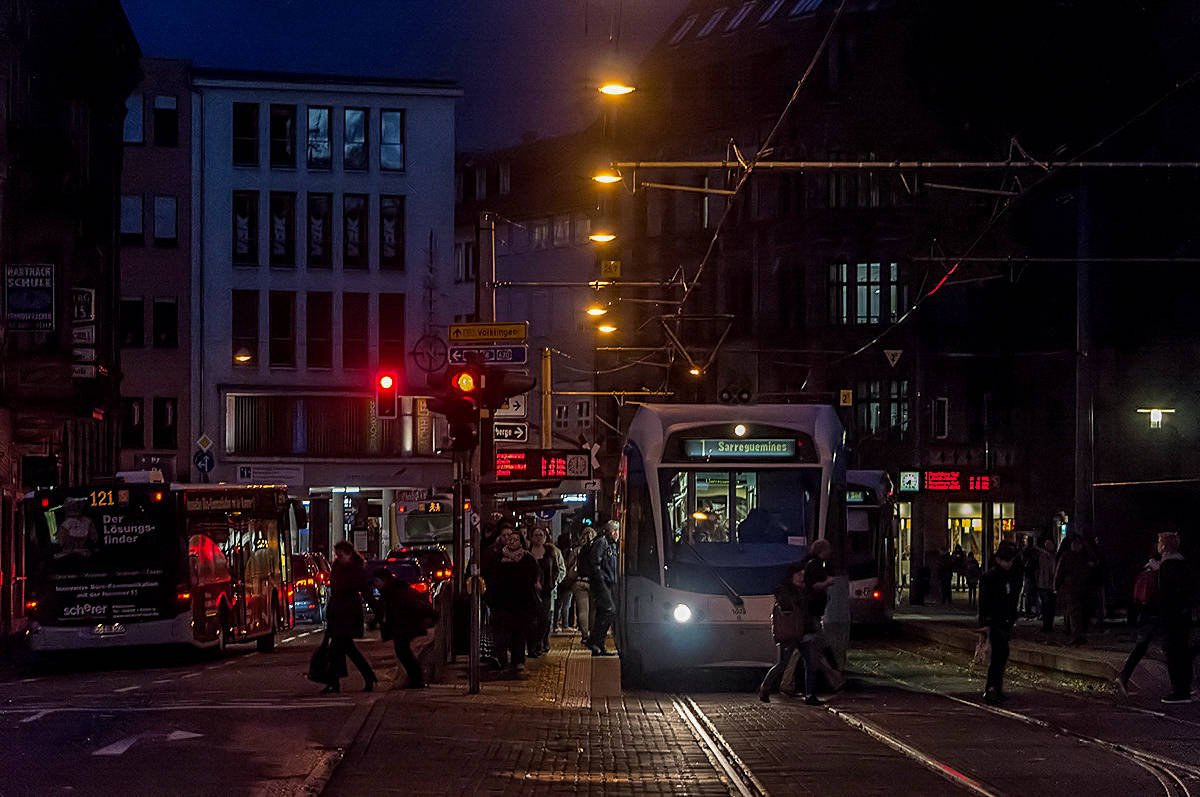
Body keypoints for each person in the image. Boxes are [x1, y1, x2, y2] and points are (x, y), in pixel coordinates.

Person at [1118, 533, 1195, 704]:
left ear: (1165, 546)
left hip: (1168, 615)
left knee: (1173, 650)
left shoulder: (1166, 566)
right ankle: (1184, 687)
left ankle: (1179, 690)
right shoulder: (1181, 563)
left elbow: (1166, 593)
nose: (1158, 544)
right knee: (1180, 649)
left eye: (1160, 542)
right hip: (1179, 615)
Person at [321, 541, 379, 694]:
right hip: (338, 614)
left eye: (340, 555)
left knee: (338, 650)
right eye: (337, 555)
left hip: (348, 615)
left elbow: (365, 592)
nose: (338, 558)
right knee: (344, 650)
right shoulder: (338, 567)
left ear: (348, 553)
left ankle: (337, 683)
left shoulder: (354, 569)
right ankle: (364, 678)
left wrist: (377, 612)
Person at [482, 526, 541, 676]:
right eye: (510, 540)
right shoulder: (499, 558)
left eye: (516, 540)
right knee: (502, 632)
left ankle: (518, 661)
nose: (513, 542)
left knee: (519, 633)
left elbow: (534, 576)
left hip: (522, 602)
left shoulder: (527, 558)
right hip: (503, 602)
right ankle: (501, 659)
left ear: (521, 542)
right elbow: (493, 578)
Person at [758, 562, 820, 705]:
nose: (801, 577)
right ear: (792, 576)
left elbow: (810, 608)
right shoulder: (786, 590)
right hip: (790, 632)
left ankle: (810, 695)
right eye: (799, 575)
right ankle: (765, 688)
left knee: (810, 664)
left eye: (803, 575)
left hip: (805, 631)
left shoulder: (805, 589)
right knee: (782, 664)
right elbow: (787, 606)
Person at [378, 567, 437, 688]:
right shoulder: (392, 590)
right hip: (404, 625)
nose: (376, 585)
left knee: (403, 652)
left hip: (406, 625)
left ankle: (417, 679)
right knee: (403, 651)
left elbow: (414, 605)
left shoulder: (395, 591)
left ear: (383, 580)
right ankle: (416, 678)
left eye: (377, 581)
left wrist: (431, 614)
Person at [979, 541, 1019, 705]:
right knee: (998, 655)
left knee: (1001, 656)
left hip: (1004, 620)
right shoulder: (990, 577)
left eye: (1010, 561)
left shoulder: (1008, 576)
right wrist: (985, 622)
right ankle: (991, 688)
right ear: (999, 560)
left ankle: (995, 688)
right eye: (1006, 560)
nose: (1009, 564)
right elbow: (984, 602)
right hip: (995, 621)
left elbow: (1011, 599)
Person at [527, 526, 564, 656]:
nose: (538, 538)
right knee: (532, 620)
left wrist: (552, 583)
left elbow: (557, 570)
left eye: (541, 535)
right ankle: (533, 646)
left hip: (547, 591)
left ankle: (541, 642)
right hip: (530, 592)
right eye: (536, 535)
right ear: (531, 537)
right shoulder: (527, 553)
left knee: (545, 619)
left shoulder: (550, 553)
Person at [586, 520, 619, 656]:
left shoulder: (611, 545)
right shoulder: (602, 542)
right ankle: (594, 640)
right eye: (615, 531)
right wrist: (600, 580)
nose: (617, 534)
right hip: (601, 583)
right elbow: (595, 563)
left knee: (603, 613)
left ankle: (599, 644)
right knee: (609, 610)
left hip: (607, 582)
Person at [1055, 535, 1093, 645]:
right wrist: (1057, 585)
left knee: (1077, 612)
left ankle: (1075, 632)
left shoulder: (1083, 556)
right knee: (1074, 611)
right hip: (1071, 588)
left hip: (1081, 588)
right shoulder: (1067, 556)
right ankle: (1076, 634)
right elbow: (1060, 572)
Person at [572, 526, 597, 646]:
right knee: (593, 610)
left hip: (579, 581)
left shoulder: (577, 550)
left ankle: (584, 636)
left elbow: (569, 564)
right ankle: (592, 635)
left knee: (582, 611)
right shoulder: (595, 549)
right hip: (593, 582)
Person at [1036, 537, 1057, 633]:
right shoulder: (1043, 556)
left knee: (1049, 606)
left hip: (1049, 584)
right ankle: (1046, 625)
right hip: (1044, 584)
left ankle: (1049, 625)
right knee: (1045, 606)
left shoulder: (1052, 556)